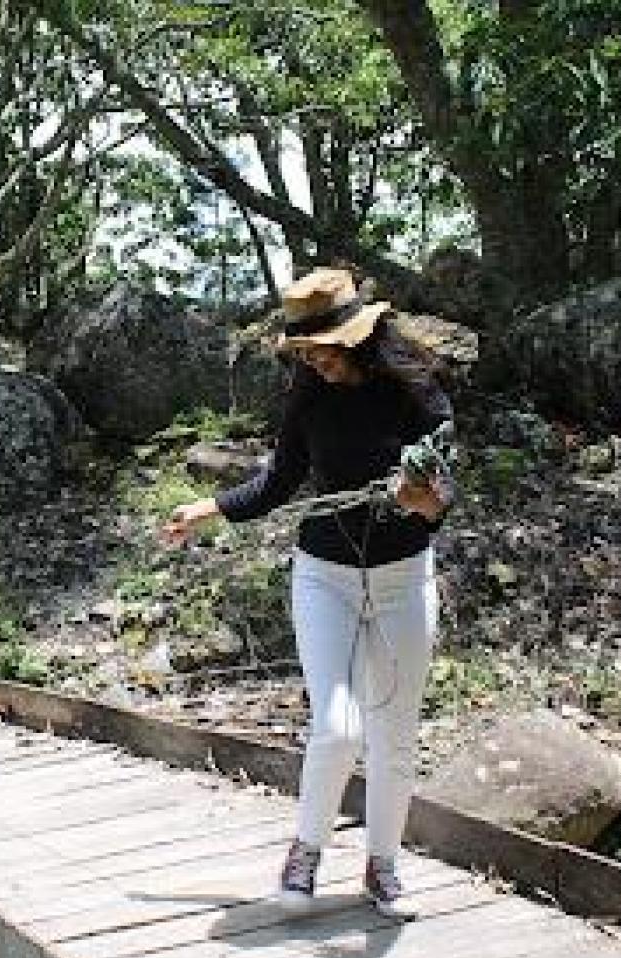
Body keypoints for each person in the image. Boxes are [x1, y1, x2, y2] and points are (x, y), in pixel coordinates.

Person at [162, 266, 455, 921]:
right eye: (305, 352)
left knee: (395, 735)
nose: (314, 361)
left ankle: (383, 867)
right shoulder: (309, 393)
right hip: (325, 577)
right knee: (338, 727)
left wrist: (424, 500)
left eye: (323, 350)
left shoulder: (416, 391)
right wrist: (209, 509)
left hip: (403, 580)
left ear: (359, 338)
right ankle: (305, 855)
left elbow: (442, 489)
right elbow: (279, 480)